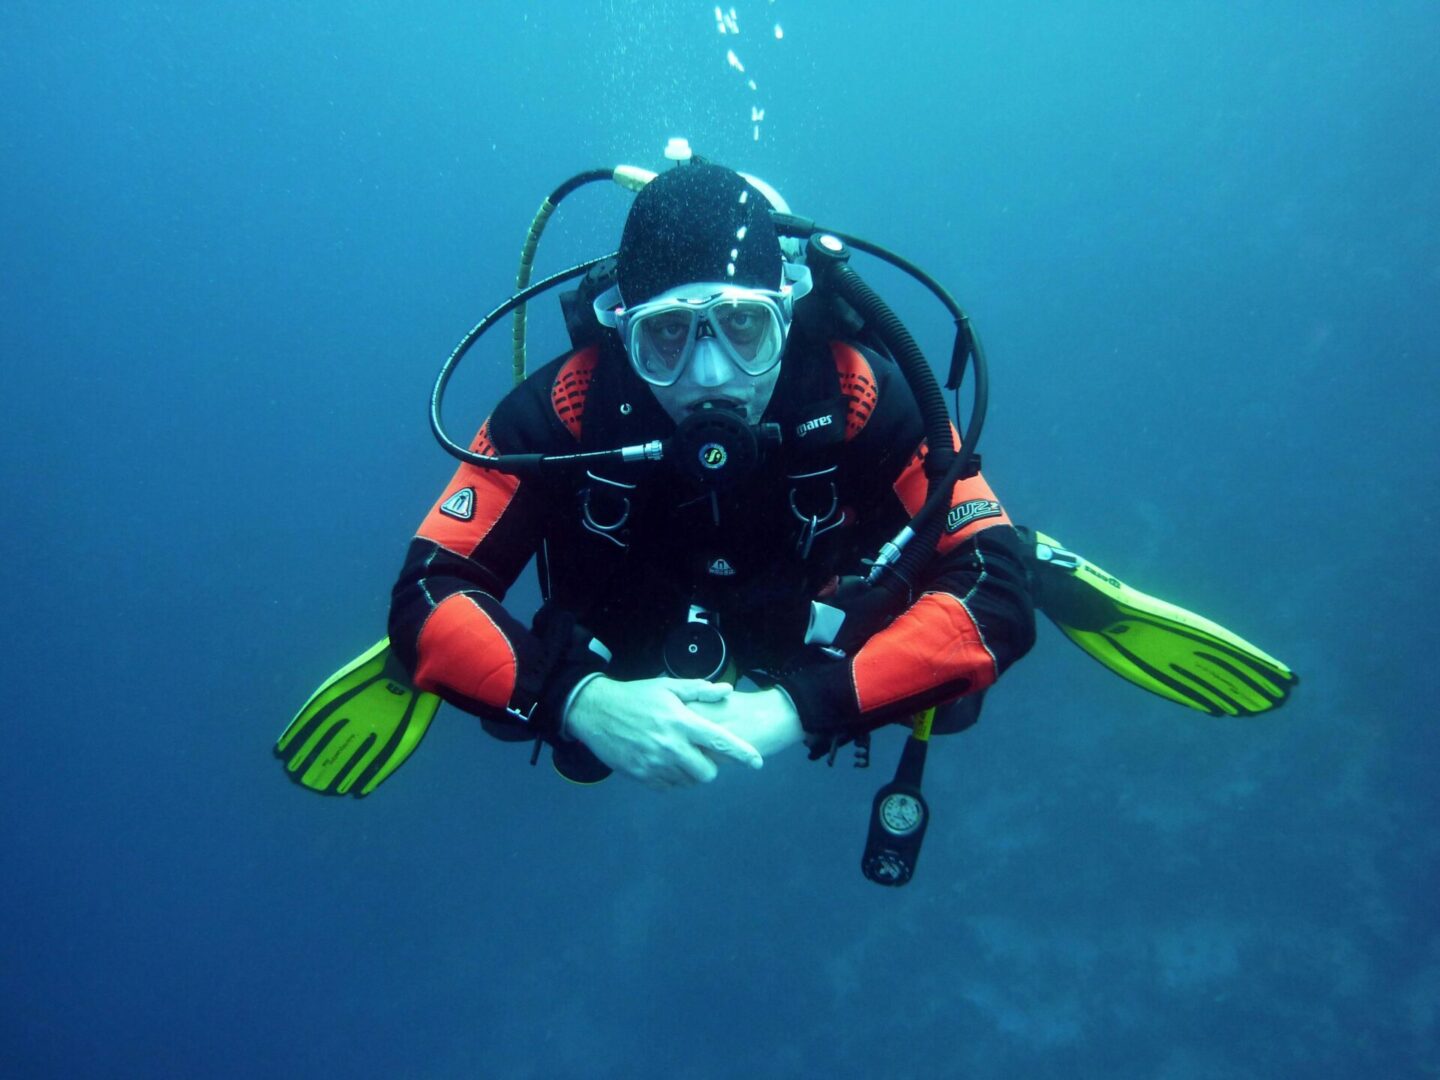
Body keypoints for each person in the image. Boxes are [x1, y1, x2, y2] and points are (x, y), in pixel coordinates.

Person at [386, 162, 1037, 790]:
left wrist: (795, 708)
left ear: (786, 311)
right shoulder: (568, 407)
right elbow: (427, 586)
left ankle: (1042, 555)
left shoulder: (855, 389)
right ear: (622, 330)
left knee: (948, 704)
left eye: (744, 325)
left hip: (813, 613)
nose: (710, 376)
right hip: (632, 625)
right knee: (540, 727)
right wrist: (576, 701)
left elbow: (997, 587)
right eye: (666, 334)